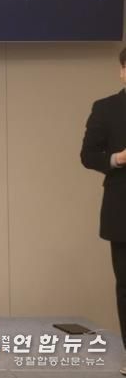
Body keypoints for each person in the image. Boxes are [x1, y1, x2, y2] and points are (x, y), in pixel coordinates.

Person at [80, 47, 126, 375]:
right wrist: (117, 158)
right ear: (122, 71)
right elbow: (88, 155)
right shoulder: (106, 108)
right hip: (122, 211)